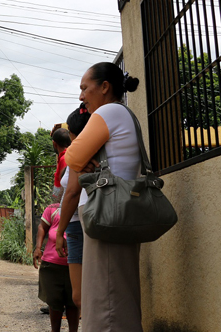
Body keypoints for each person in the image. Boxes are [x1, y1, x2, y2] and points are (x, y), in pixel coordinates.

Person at [56, 62, 142, 332]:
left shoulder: (108, 111)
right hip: (120, 213)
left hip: (107, 216)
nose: (81, 96)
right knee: (120, 296)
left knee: (104, 303)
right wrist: (83, 158)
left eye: (84, 88)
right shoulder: (123, 113)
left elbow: (70, 156)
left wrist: (81, 157)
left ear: (105, 87)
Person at [59, 104, 91, 314]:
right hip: (82, 223)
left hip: (77, 225)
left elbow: (71, 193)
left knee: (80, 296)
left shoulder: (78, 152)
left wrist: (59, 231)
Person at [33, 203, 79, 332]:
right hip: (51, 264)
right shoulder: (53, 209)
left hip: (75, 264)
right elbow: (42, 227)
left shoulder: (81, 207)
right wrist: (38, 248)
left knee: (73, 302)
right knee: (54, 303)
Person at [51, 127, 71, 201]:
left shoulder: (64, 158)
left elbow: (65, 184)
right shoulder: (65, 156)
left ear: (54, 143)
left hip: (63, 200)